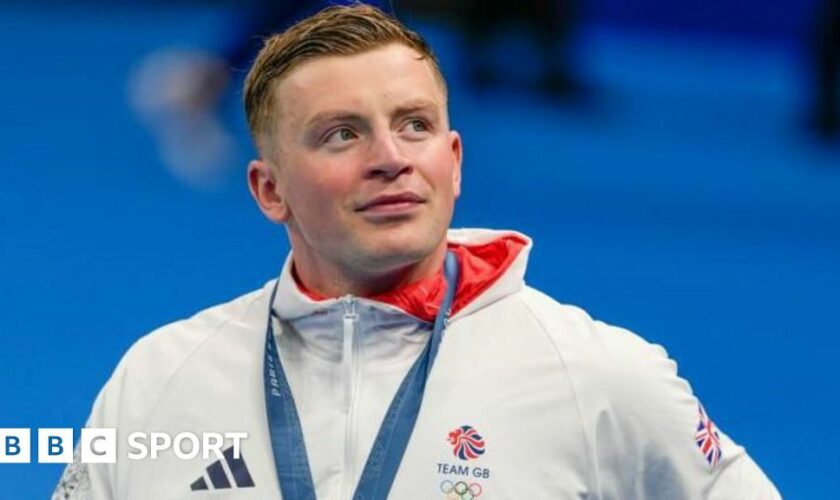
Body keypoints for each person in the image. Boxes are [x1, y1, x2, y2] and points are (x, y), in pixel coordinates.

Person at [54, 4, 780, 499]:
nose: (390, 159)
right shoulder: (160, 376)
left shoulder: (596, 375)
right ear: (269, 190)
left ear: (455, 161)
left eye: (414, 126)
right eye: (342, 133)